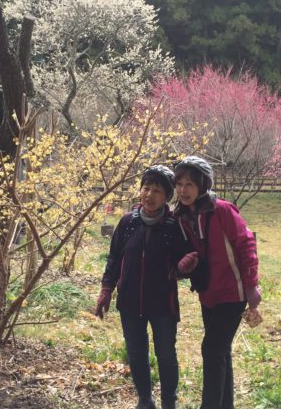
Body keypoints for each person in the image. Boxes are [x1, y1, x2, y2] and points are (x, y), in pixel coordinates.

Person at [94, 165, 196, 409]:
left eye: (157, 191)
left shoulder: (174, 226)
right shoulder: (128, 222)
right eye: (146, 188)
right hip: (129, 303)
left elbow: (186, 262)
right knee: (137, 353)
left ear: (167, 196)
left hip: (163, 304)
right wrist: (106, 289)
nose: (149, 195)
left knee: (166, 355)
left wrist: (184, 267)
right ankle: (144, 400)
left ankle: (168, 403)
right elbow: (114, 257)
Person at [172, 156, 261, 409]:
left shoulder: (221, 209)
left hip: (232, 292)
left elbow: (246, 245)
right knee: (221, 352)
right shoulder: (183, 216)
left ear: (203, 185)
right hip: (208, 293)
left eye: (189, 184)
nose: (183, 190)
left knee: (212, 351)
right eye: (179, 184)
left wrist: (252, 285)